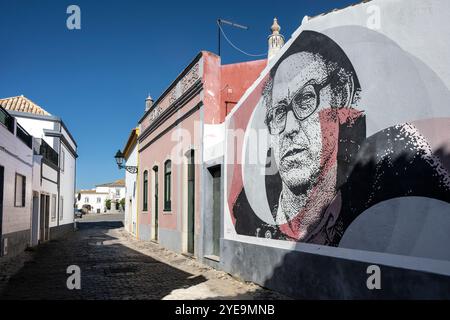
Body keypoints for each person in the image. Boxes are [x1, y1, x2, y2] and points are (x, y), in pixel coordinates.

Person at [233, 30, 450, 246]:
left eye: (306, 98)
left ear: (341, 100)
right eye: (279, 113)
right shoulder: (246, 219)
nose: (289, 128)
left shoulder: (384, 198)